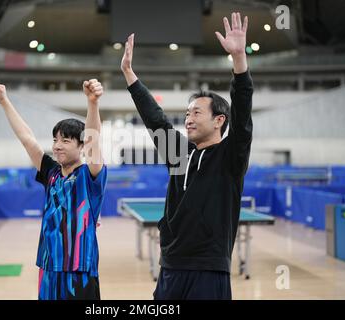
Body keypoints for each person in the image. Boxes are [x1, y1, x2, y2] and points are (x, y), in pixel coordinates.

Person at [120, 12, 253, 300]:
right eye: (187, 113)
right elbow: (156, 120)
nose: (188, 119)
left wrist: (239, 61)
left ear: (219, 120)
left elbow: (242, 114)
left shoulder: (231, 156)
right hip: (170, 267)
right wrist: (130, 75)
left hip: (209, 269)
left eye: (196, 112)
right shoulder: (179, 153)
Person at [0, 79, 107, 300]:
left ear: (81, 146)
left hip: (79, 271)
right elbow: (28, 140)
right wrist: (5, 101)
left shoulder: (89, 177)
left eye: (65, 140)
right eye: (55, 140)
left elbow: (94, 141)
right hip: (48, 266)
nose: (57, 146)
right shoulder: (51, 173)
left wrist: (92, 103)